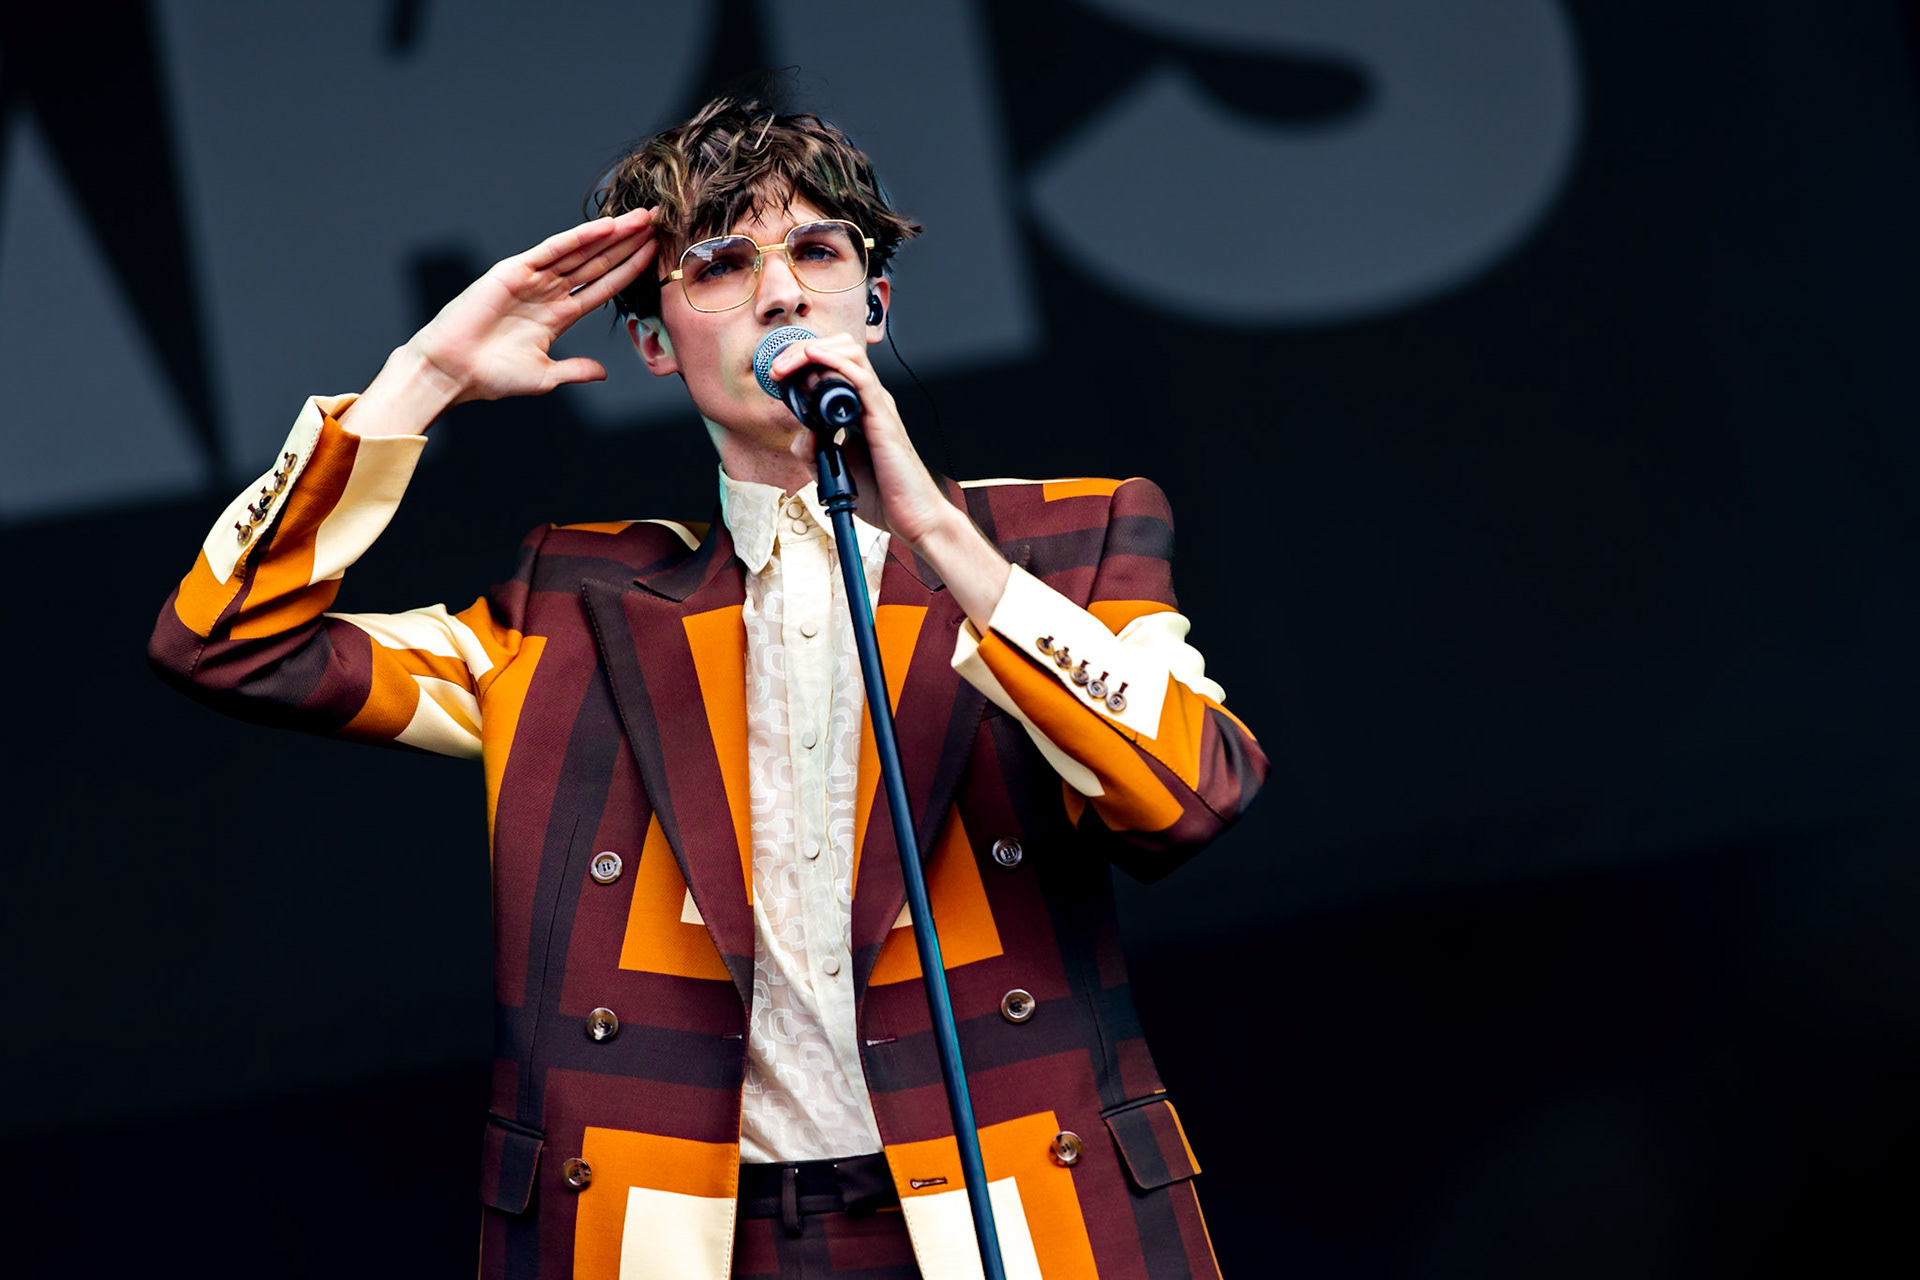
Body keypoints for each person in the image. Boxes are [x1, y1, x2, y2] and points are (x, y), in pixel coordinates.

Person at [149, 90, 1267, 1280]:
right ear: (651, 338)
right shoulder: (571, 610)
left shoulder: (1064, 543)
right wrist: (420, 378)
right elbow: (228, 643)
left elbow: (1189, 793)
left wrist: (936, 534)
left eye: (819, 252)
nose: (782, 293)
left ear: (874, 302)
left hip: (1018, 1219)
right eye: (722, 264)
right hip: (691, 1236)